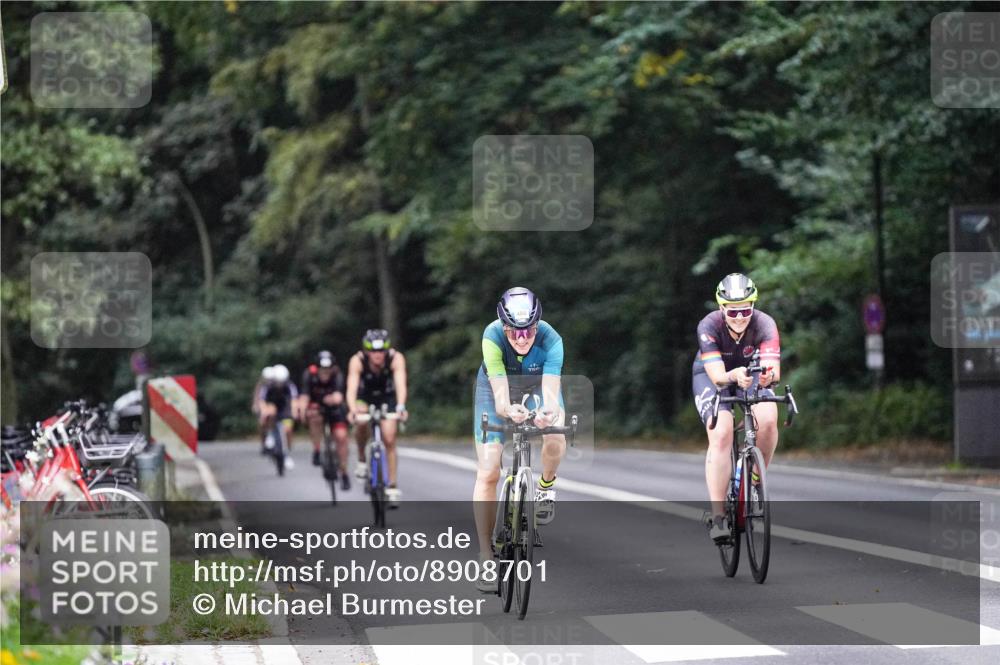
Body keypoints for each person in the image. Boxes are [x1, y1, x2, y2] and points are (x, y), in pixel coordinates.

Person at [473, 287, 566, 592]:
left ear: (537, 325)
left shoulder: (552, 340)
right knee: (489, 471)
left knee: (555, 433)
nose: (523, 338)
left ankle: (546, 488)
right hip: (495, 390)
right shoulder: (492, 335)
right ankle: (486, 557)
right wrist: (507, 410)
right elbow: (500, 399)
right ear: (504, 326)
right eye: (515, 332)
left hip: (537, 387)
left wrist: (546, 414)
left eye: (529, 331)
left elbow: (551, 394)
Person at [692, 273, 781, 542]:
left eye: (745, 309)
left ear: (753, 306)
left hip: (750, 372)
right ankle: (718, 517)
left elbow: (773, 370)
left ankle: (755, 482)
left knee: (767, 418)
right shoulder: (709, 324)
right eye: (733, 310)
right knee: (722, 433)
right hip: (712, 374)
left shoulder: (765, 323)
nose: (740, 316)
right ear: (722, 308)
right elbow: (719, 377)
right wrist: (733, 376)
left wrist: (768, 377)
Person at [345, 329, 408, 506]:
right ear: (366, 351)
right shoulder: (357, 361)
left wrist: (401, 406)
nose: (377, 355)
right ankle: (361, 459)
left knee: (389, 438)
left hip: (387, 398)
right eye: (373, 351)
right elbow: (351, 388)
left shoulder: (396, 358)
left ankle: (393, 486)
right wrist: (351, 410)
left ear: (386, 350)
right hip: (364, 397)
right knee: (361, 419)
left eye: (381, 351)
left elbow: (400, 384)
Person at [297, 351, 351, 490]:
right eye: (322, 370)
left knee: (341, 437)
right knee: (314, 417)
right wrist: (302, 411)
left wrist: (333, 399)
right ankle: (317, 450)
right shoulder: (309, 375)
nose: (325, 373)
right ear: (317, 369)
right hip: (316, 407)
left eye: (328, 370)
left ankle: (344, 473)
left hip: (335, 408)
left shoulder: (337, 375)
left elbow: (338, 396)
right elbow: (304, 396)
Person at [256, 363, 299, 471]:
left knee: (288, 429)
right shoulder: (267, 386)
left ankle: (287, 452)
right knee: (268, 414)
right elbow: (261, 401)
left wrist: (294, 412)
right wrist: (263, 412)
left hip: (285, 409)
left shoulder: (289, 385)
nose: (279, 384)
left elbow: (294, 400)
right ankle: (270, 436)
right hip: (272, 407)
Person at [254, 366, 275, 454]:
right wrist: (256, 405)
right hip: (263, 406)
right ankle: (263, 444)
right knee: (262, 424)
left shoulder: (276, 384)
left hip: (273, 407)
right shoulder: (261, 385)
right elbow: (258, 397)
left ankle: (275, 440)